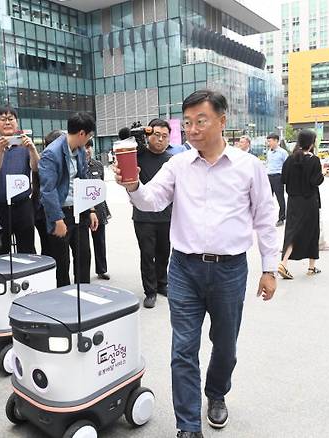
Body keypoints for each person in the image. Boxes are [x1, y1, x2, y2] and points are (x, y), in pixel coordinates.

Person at [114, 90, 278, 438]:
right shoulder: (178, 165)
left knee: (225, 345)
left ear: (222, 121)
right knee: (183, 349)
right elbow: (151, 201)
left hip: (230, 271)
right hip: (184, 269)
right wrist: (132, 185)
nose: (191, 129)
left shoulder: (248, 166)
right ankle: (187, 426)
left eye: (200, 121)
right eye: (186, 123)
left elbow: (266, 217)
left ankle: (216, 393)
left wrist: (269, 268)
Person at [39, 112, 98, 287]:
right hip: (60, 214)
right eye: (89, 136)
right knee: (62, 262)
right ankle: (65, 301)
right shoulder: (51, 153)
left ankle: (84, 294)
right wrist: (57, 219)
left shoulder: (79, 150)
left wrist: (91, 209)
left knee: (83, 257)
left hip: (79, 211)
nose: (88, 141)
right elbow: (47, 190)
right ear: (81, 133)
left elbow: (83, 179)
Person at [0, 106, 39, 254]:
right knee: (2, 250)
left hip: (23, 204)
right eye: (2, 119)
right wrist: (0, 150)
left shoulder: (24, 142)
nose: (7, 122)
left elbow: (36, 168)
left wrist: (32, 149)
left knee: (27, 249)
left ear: (17, 122)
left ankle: (27, 277)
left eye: (11, 119)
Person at [132, 118, 174, 308]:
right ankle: (150, 291)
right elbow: (125, 138)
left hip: (167, 216)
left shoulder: (172, 160)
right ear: (149, 136)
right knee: (147, 254)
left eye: (165, 136)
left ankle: (161, 284)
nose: (160, 139)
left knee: (164, 252)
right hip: (143, 217)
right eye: (157, 135)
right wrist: (139, 133)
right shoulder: (138, 155)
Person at [277, 130, 326, 279]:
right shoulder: (314, 160)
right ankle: (311, 267)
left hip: (292, 201)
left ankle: (284, 263)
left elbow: (283, 179)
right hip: (309, 201)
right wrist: (323, 173)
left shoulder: (290, 159)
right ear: (311, 143)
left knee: (292, 232)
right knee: (312, 232)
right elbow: (316, 181)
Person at [32, 130, 65, 257]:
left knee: (51, 247)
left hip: (43, 209)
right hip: (43, 211)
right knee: (50, 247)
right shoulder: (47, 159)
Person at [85, 139, 111, 280]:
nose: (87, 149)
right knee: (83, 244)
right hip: (83, 210)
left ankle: (102, 269)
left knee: (100, 241)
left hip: (99, 209)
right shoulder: (76, 165)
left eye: (89, 146)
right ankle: (83, 272)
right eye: (84, 146)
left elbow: (101, 187)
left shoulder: (98, 165)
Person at [266, 132, 288, 226]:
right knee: (266, 199)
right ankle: (267, 218)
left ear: (276, 141)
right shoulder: (269, 152)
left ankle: (281, 218)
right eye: (268, 141)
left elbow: (287, 166)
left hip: (278, 177)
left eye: (270, 141)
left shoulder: (283, 152)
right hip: (269, 177)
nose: (268, 143)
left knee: (280, 198)